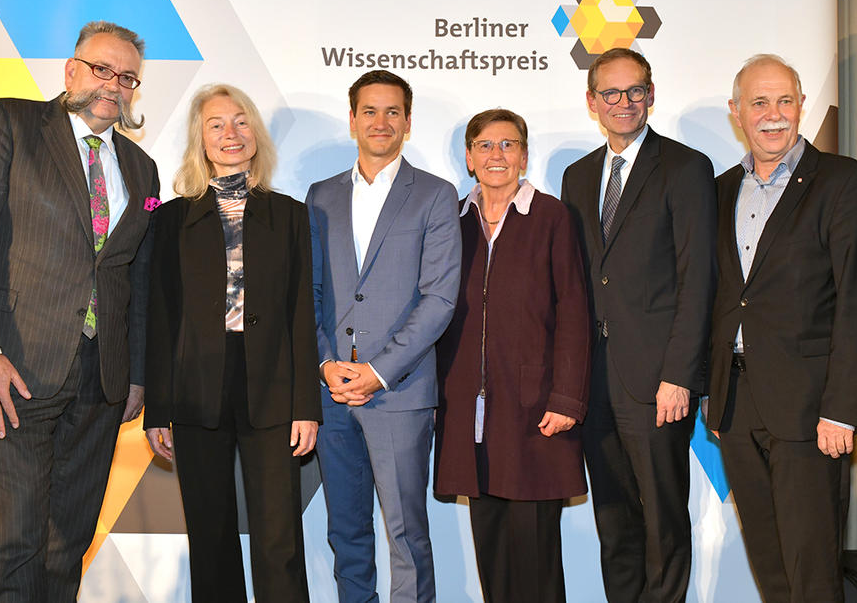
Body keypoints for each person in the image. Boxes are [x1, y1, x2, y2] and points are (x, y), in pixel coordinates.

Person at [0, 20, 159, 602]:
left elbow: (136, 278)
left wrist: (133, 374)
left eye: (127, 76)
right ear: (71, 70)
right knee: (18, 541)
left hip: (99, 382)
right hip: (14, 370)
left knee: (69, 542)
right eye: (101, 69)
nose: (113, 84)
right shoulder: (6, 121)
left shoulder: (142, 170)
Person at [705, 54, 857, 602]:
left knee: (811, 570)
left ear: (802, 105)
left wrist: (842, 408)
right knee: (770, 564)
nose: (774, 115)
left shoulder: (844, 181)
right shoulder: (717, 191)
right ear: (738, 113)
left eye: (785, 101)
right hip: (735, 405)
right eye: (759, 103)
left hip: (810, 411)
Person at [143, 83, 321, 602]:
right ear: (200, 139)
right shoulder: (172, 218)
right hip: (196, 388)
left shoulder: (289, 213)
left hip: (274, 388)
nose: (231, 134)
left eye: (241, 121)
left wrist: (306, 405)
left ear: (256, 135)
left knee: (279, 538)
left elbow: (300, 313)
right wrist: (158, 409)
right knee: (210, 532)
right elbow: (161, 317)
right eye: (216, 124)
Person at [560, 47, 716, 602]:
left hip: (656, 383)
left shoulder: (685, 166)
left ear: (651, 95)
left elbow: (698, 277)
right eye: (611, 93)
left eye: (635, 92)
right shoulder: (577, 176)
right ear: (591, 102)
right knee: (614, 522)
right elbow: (577, 279)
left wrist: (680, 374)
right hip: (593, 381)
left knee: (664, 522)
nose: (623, 103)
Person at [305, 69, 460, 603]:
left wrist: (375, 372)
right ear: (352, 120)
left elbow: (438, 299)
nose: (380, 121)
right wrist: (326, 365)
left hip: (399, 390)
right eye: (369, 111)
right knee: (345, 533)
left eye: (392, 111)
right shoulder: (320, 195)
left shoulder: (436, 196)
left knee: (405, 534)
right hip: (331, 394)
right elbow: (311, 295)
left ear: (408, 122)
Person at [434, 108, 590, 603]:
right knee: (492, 546)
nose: (496, 155)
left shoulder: (551, 216)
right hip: (470, 412)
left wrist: (566, 398)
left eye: (507, 145)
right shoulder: (453, 221)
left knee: (535, 553)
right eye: (485, 145)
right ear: (469, 156)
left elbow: (573, 309)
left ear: (524, 155)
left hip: (535, 408)